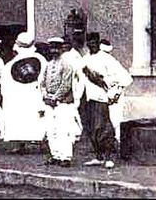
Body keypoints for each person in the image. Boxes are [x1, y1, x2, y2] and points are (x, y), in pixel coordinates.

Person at [81, 33, 133, 169]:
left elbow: (125, 77)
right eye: (89, 42)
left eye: (94, 42)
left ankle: (109, 158)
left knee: (104, 128)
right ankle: (98, 157)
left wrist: (114, 92)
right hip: (88, 98)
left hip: (102, 98)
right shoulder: (85, 59)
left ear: (98, 43)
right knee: (91, 129)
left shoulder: (106, 58)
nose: (92, 45)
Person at [0, 32, 47, 151]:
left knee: (22, 118)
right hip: (33, 94)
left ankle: (22, 144)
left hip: (22, 96)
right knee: (36, 118)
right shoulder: (41, 60)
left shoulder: (10, 65)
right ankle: (34, 143)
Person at [39, 37, 76, 166]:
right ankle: (55, 155)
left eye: (57, 48)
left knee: (63, 130)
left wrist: (55, 98)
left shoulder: (67, 65)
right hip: (49, 102)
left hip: (62, 102)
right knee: (51, 130)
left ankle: (65, 157)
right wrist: (45, 95)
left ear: (61, 49)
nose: (54, 51)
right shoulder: (48, 65)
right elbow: (42, 83)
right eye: (52, 48)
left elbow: (66, 84)